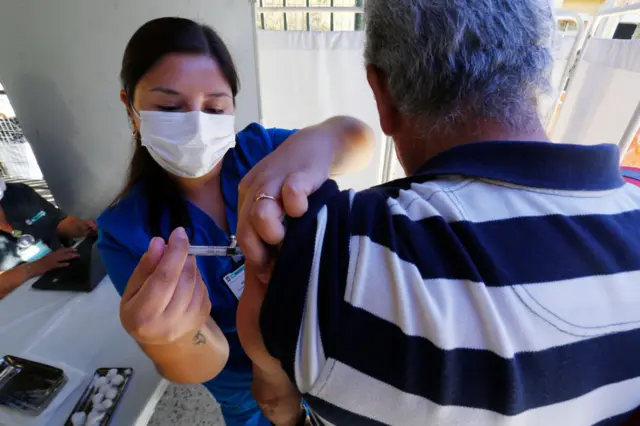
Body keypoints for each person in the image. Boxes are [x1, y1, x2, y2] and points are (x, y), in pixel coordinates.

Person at [233, 0, 640, 425]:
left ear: (382, 93)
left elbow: (276, 402)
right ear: (542, 66)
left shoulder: (329, 258)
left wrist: (323, 139)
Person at [96, 17, 374, 426]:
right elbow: (204, 365)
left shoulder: (263, 151)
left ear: (232, 109)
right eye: (170, 108)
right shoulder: (126, 233)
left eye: (214, 108)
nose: (195, 124)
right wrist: (168, 343)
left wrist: (327, 138)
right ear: (131, 109)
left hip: (321, 350)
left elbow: (358, 141)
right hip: (245, 388)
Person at [0, 177, 97, 298]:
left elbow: (56, 222)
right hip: (17, 300)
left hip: (62, 273)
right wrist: (35, 267)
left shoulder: (19, 193)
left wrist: (80, 227)